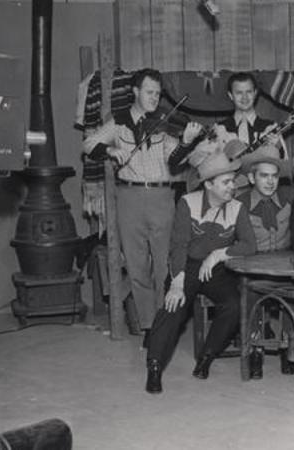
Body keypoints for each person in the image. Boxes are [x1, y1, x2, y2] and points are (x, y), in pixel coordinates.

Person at [83, 68, 202, 334]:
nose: (154, 99)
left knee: (164, 265)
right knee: (137, 266)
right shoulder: (119, 121)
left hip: (162, 196)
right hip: (129, 197)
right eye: (149, 92)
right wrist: (111, 150)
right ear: (135, 91)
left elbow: (175, 161)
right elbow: (89, 144)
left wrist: (186, 142)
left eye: (158, 94)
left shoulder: (163, 122)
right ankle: (148, 326)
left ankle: (165, 321)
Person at [144, 145, 256, 394]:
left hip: (218, 269)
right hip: (187, 266)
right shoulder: (188, 203)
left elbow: (250, 245)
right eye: (225, 182)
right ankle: (154, 367)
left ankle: (206, 357)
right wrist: (177, 282)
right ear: (208, 184)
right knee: (174, 305)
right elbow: (179, 246)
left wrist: (218, 254)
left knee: (234, 305)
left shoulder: (237, 208)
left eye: (232, 181)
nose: (232, 187)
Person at [235, 144, 294, 377]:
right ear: (252, 177)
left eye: (274, 176)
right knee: (250, 293)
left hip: (285, 265)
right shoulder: (239, 203)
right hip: (252, 266)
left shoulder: (290, 197)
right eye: (264, 176)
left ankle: (290, 345)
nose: (270, 182)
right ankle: (255, 350)